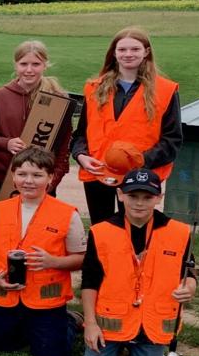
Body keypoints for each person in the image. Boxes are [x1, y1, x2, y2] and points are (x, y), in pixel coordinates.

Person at [80, 169, 197, 356]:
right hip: (112, 321)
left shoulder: (179, 232)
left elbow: (188, 272)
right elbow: (89, 281)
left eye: (147, 197)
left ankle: (137, 351)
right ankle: (103, 339)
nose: (139, 203)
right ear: (120, 195)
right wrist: (91, 324)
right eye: (133, 196)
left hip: (151, 323)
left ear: (159, 198)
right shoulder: (101, 231)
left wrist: (189, 287)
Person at [0, 148, 86, 356]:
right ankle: (24, 327)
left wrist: (54, 262)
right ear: (13, 176)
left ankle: (69, 321)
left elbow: (81, 258)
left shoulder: (67, 214)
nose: (29, 181)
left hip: (45, 298)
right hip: (4, 295)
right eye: (22, 174)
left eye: (37, 175)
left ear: (50, 178)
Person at [71, 27, 182, 225]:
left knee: (136, 228)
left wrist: (139, 161)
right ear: (114, 53)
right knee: (101, 229)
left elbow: (172, 141)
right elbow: (81, 134)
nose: (128, 54)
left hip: (140, 174)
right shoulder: (94, 88)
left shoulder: (165, 90)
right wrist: (81, 156)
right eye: (122, 49)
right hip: (98, 171)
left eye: (135, 49)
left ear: (146, 52)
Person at [0, 39, 73, 200]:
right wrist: (6, 143)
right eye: (23, 64)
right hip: (2, 178)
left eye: (36, 64)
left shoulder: (57, 99)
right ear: (16, 65)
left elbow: (64, 146)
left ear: (45, 65)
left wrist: (52, 180)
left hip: (41, 180)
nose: (29, 70)